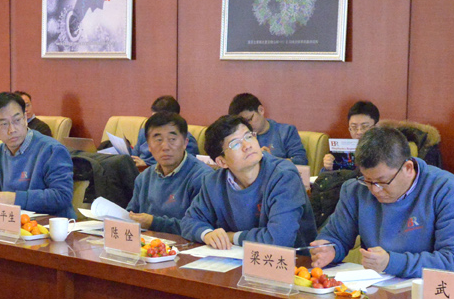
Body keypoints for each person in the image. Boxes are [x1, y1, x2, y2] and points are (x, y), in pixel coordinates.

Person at [308, 126, 454, 275]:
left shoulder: (448, 190)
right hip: (379, 287)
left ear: (408, 168)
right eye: (368, 180)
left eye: (383, 181)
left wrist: (391, 262)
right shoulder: (355, 189)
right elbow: (336, 236)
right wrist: (330, 249)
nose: (374, 190)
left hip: (439, 291)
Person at [181, 115, 317, 249]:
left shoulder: (284, 176)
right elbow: (189, 221)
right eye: (235, 144)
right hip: (234, 258)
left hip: (292, 260)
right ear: (222, 162)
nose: (247, 146)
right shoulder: (213, 182)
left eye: (248, 136)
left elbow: (279, 239)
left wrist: (232, 237)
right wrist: (207, 234)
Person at [0, 92, 74, 216]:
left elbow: (62, 196)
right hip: (10, 221)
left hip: (48, 224)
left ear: (25, 119)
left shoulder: (52, 150)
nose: (12, 130)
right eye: (3, 124)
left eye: (17, 120)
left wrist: (15, 199)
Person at [126, 110, 209, 235]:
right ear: (149, 146)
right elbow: (130, 214)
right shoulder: (143, 177)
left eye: (172, 139)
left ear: (185, 143)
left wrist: (154, 223)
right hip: (146, 244)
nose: (165, 147)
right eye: (158, 140)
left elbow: (199, 226)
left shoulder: (202, 177)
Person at [228, 92, 308, 166]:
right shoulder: (240, 139)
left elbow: (301, 161)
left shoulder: (286, 131)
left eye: (249, 119)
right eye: (243, 123)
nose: (248, 126)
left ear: (261, 110)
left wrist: (272, 159)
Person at [131, 95, 198, 167]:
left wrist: (146, 166)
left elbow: (187, 167)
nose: (155, 122)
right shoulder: (145, 132)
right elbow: (133, 156)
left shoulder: (186, 139)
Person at [322, 101, 381, 172]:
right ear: (349, 129)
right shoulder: (341, 150)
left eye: (364, 127)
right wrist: (328, 168)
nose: (359, 132)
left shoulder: (384, 151)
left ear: (376, 127)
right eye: (354, 127)